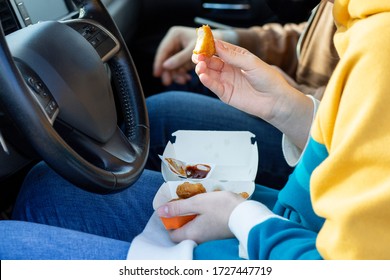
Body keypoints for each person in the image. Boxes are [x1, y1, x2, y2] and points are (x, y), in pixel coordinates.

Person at [2, 0, 390, 260]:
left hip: (274, 245)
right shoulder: (364, 20)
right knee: (49, 187)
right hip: (293, 224)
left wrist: (241, 218)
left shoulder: (380, 48)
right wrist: (294, 113)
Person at [146, 0, 339, 189]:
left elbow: (359, 118)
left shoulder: (368, 24)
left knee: (159, 120)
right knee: (191, 80)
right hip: (306, 110)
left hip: (322, 144)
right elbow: (310, 36)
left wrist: (291, 96)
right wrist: (231, 39)